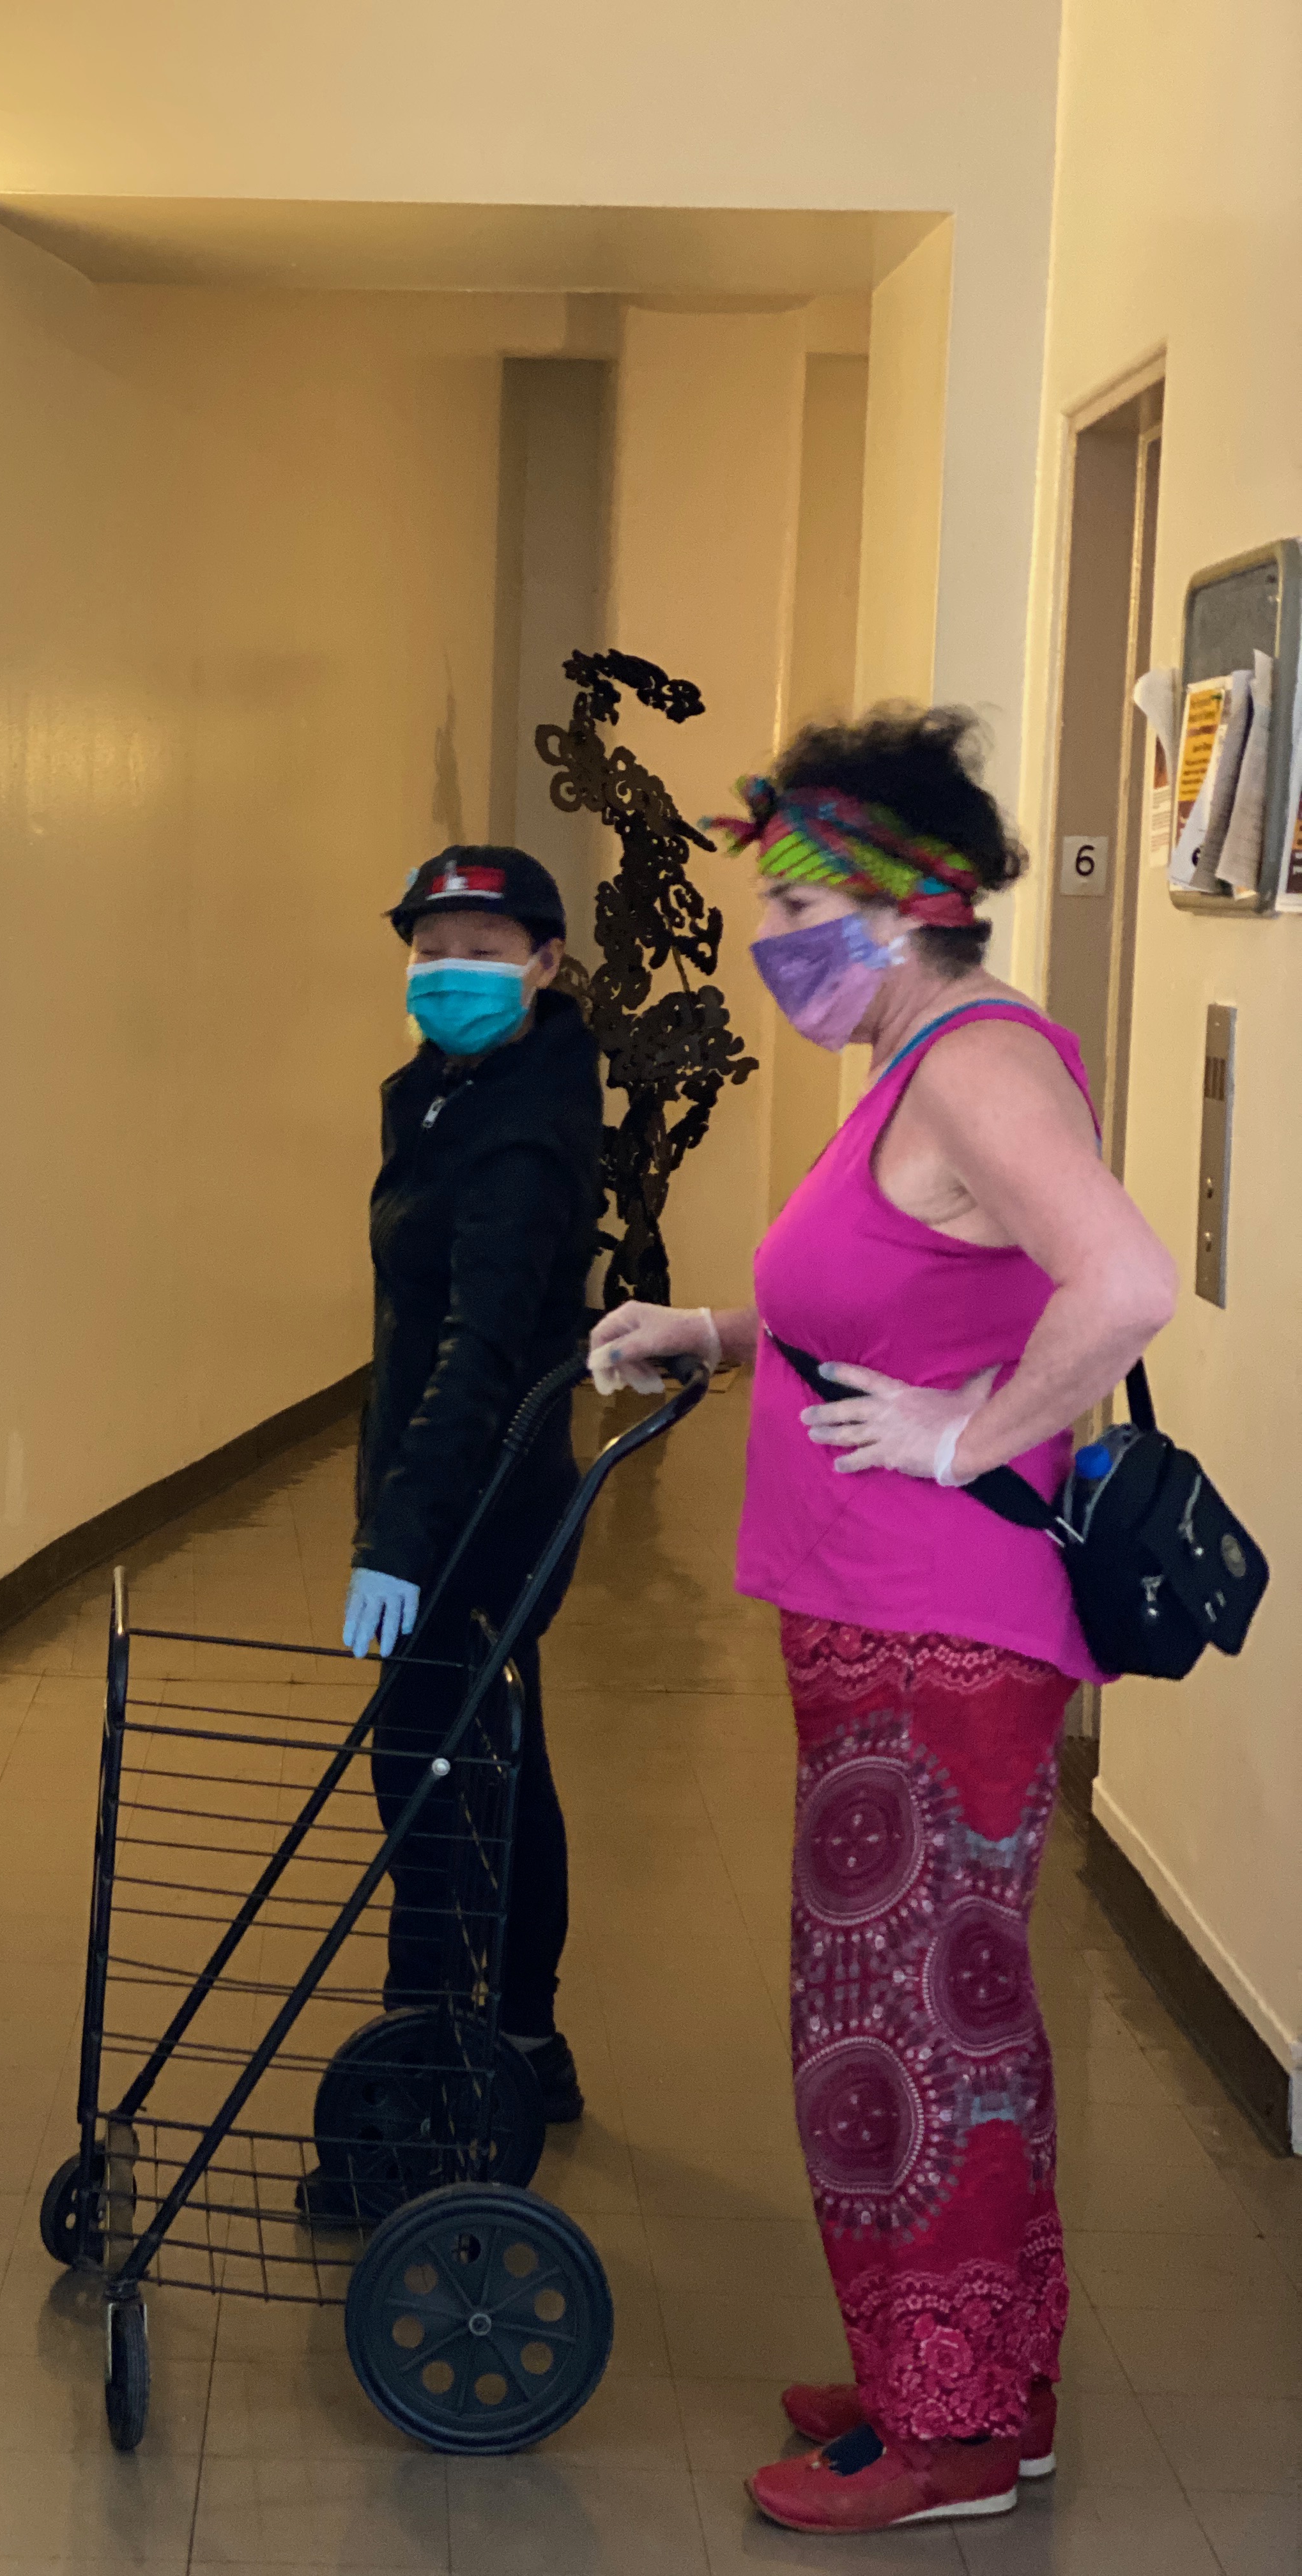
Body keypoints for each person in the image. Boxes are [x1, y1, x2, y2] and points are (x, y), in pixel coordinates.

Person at [589, 708, 1176, 2536]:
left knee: (901, 2038)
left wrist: (961, 1439)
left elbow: (1125, 1282)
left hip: (939, 1642)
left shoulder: (976, 1064)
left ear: (903, 904)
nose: (770, 941)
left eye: (794, 905)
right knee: (948, 2017)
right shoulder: (917, 1060)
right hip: (886, 1635)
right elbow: (890, 1298)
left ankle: (949, 2439)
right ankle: (982, 2382)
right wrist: (715, 1336)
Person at [346, 843, 602, 2126]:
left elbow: (479, 1353)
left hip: (486, 1496)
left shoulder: (524, 1132)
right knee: (477, 1748)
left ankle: (447, 2035)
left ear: (544, 964)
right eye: (430, 949)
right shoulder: (446, 1090)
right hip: (437, 1478)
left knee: (440, 1757)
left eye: (482, 953)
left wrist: (401, 1535)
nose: (449, 971)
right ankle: (511, 2035)